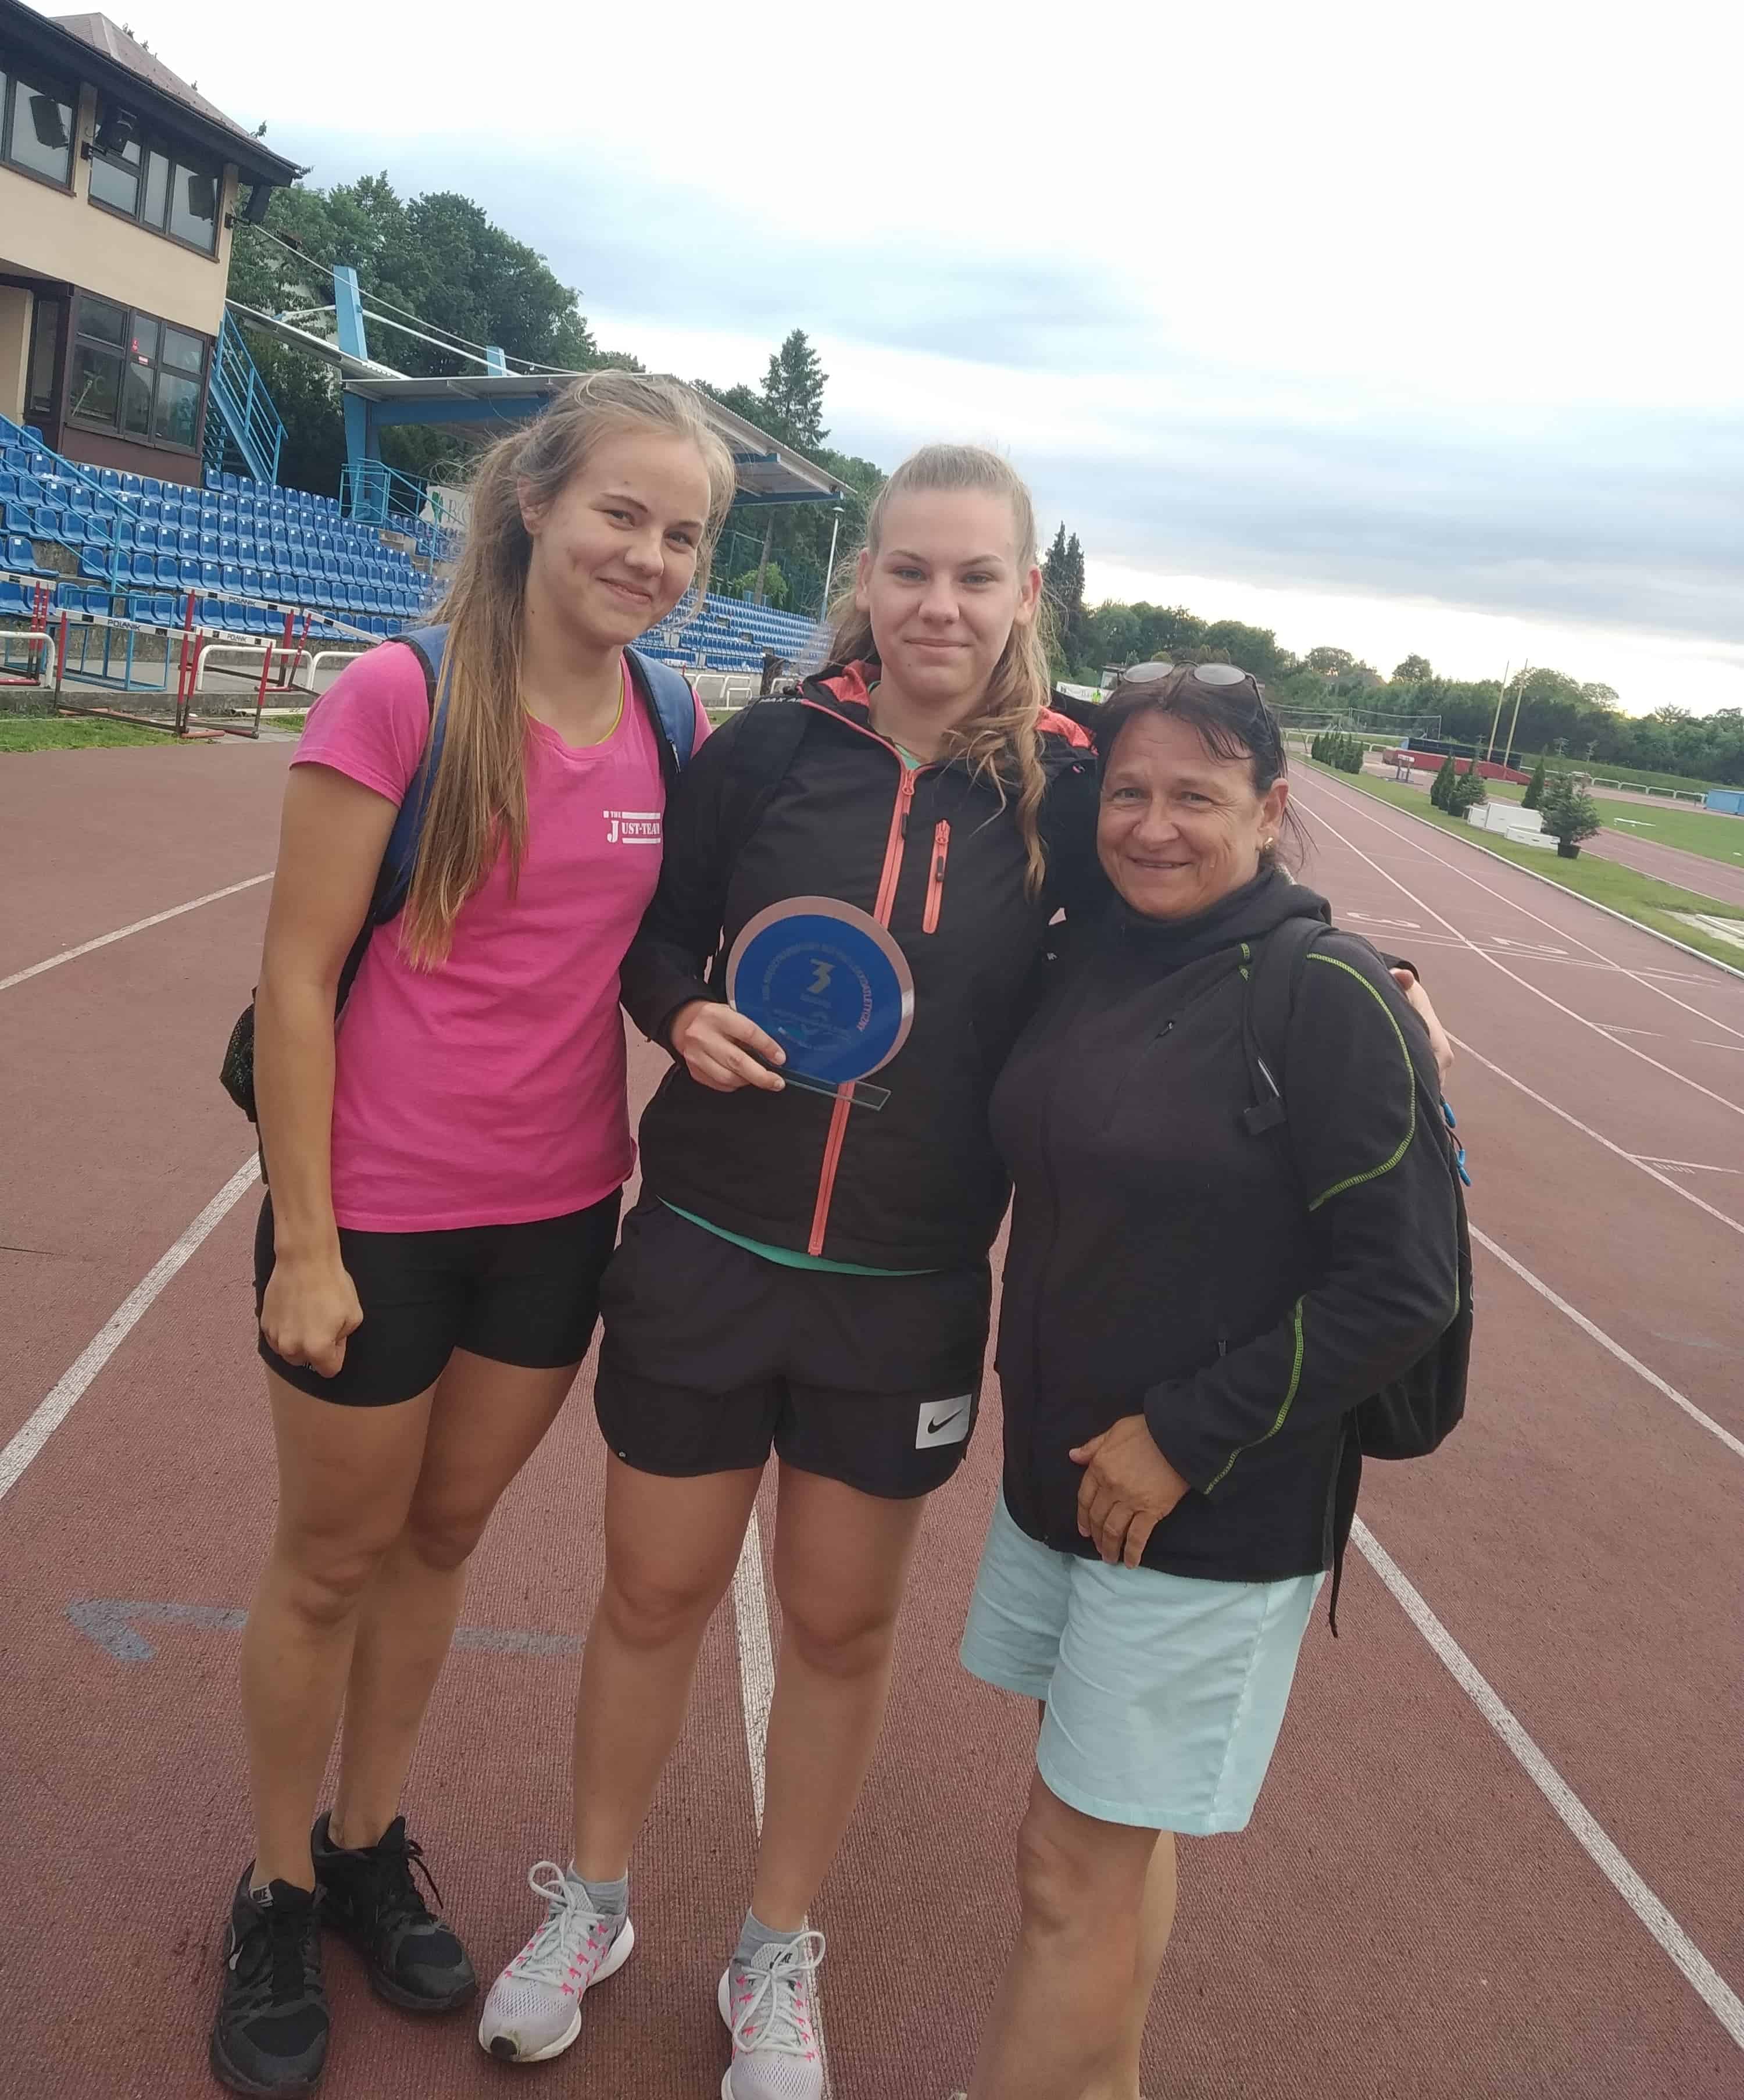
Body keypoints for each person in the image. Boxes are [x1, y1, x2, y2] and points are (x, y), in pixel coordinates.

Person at [476, 451, 1452, 2093]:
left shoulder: (1065, 788)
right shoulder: (768, 748)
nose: (940, 606)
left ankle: (778, 1947)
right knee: (650, 1592)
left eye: (976, 577)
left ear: (1024, 596)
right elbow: (659, 934)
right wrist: (680, 1009)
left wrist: (1378, 968)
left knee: (839, 1624)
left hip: (905, 1284)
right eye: (911, 571)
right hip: (707, 1245)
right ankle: (593, 1900)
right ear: (865, 580)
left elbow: (1195, 894)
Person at [209, 373, 736, 2099]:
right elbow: (297, 976)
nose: (649, 556)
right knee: (328, 1559)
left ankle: (367, 1844)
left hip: (560, 1210)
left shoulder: (675, 716)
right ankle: (276, 1891)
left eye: (683, 534)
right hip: (375, 1213)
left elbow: (657, 948)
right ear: (534, 504)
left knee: (440, 1541)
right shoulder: (400, 694)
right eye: (621, 514)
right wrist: (305, 1240)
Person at [957, 667, 1464, 2100]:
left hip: (1208, 1503)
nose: (1153, 824)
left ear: (1271, 808)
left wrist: (1184, 1436)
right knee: (1112, 1843)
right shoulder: (1097, 950)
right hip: (1069, 1477)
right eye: (1129, 790)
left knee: (1067, 1864)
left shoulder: (1330, 993)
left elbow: (1403, 1283)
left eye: (1198, 794)